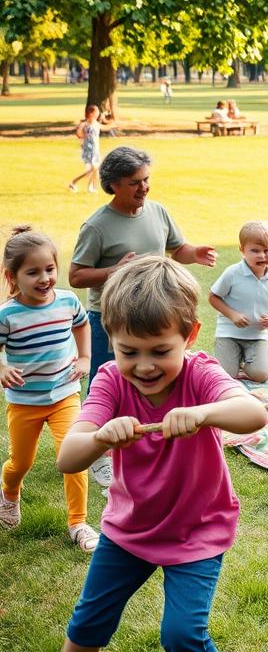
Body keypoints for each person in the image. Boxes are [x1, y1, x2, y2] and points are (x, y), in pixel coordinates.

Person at [57, 256, 268, 652]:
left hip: (197, 530)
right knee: (87, 626)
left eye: (159, 350)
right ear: (111, 337)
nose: (145, 366)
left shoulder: (200, 373)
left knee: (182, 637)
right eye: (129, 351)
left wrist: (203, 413)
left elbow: (254, 414)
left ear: (190, 336)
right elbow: (68, 458)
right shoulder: (109, 381)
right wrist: (101, 437)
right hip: (128, 529)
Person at [69, 146, 217, 487]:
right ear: (113, 185)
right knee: (110, 385)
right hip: (112, 320)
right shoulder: (97, 226)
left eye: (146, 179)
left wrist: (194, 253)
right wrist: (114, 270)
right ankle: (101, 453)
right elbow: (76, 276)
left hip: (153, 315)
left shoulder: (158, 212)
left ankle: (149, 441)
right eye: (135, 182)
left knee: (154, 380)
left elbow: (176, 248)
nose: (144, 187)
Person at [0, 227, 99, 553]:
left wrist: (84, 356)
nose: (44, 278)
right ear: (12, 276)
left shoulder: (68, 301)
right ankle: (9, 493)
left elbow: (82, 324)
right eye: (33, 272)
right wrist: (3, 368)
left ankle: (78, 523)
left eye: (50, 269)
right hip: (25, 402)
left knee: (74, 457)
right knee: (21, 462)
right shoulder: (7, 315)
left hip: (64, 395)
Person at [208, 221, 268, 383]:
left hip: (257, 336)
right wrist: (233, 315)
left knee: (261, 375)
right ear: (242, 250)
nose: (262, 255)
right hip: (229, 333)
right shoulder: (232, 273)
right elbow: (213, 297)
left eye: (267, 250)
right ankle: (228, 356)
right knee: (226, 376)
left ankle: (247, 361)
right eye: (255, 251)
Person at [68, 105, 102, 193]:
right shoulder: (84, 124)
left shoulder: (96, 123)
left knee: (94, 169)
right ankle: (81, 184)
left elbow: (104, 127)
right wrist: (84, 137)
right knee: (94, 168)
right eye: (96, 111)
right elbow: (79, 134)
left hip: (95, 150)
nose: (98, 113)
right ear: (91, 113)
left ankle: (88, 186)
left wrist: (114, 125)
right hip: (88, 150)